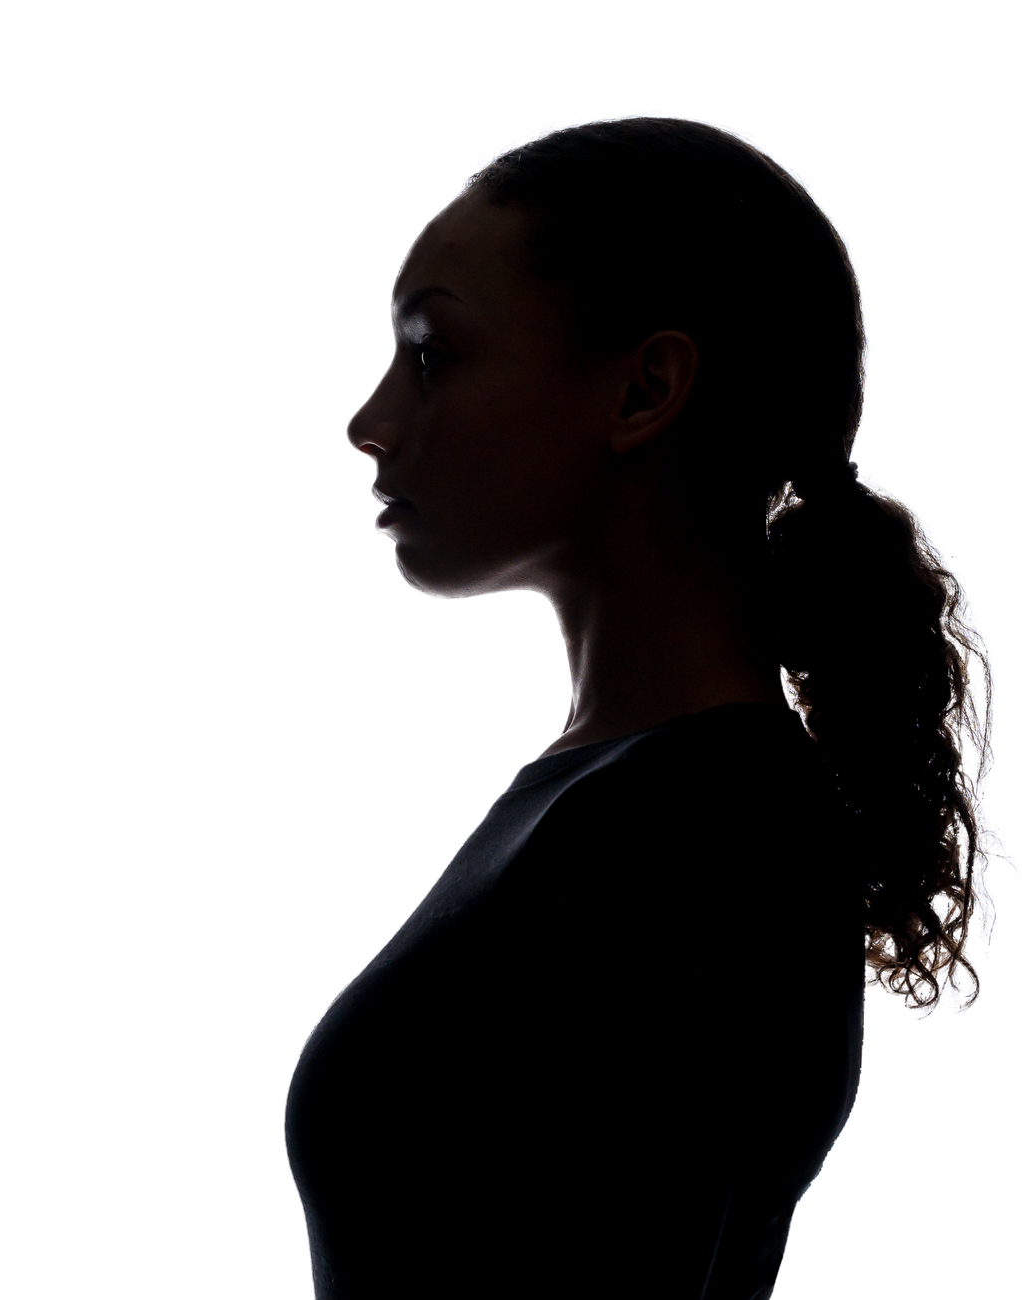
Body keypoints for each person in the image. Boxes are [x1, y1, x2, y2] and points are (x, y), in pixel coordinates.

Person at [284, 118, 990, 1299]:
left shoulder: (691, 833)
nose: (370, 420)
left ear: (646, 387)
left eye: (431, 354)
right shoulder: (631, 800)